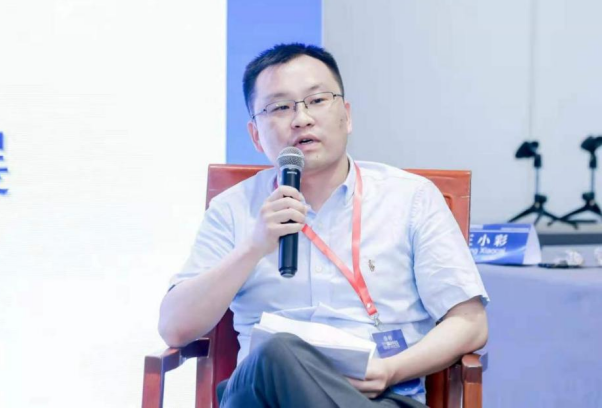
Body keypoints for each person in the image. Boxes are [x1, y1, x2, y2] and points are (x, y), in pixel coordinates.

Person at [158, 43, 489, 408]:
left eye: (317, 100)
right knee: (277, 352)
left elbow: (470, 322)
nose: (301, 119)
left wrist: (391, 370)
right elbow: (175, 328)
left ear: (346, 116)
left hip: (382, 398)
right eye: (280, 107)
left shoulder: (411, 198)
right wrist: (253, 247)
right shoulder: (233, 210)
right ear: (255, 135)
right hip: (263, 399)